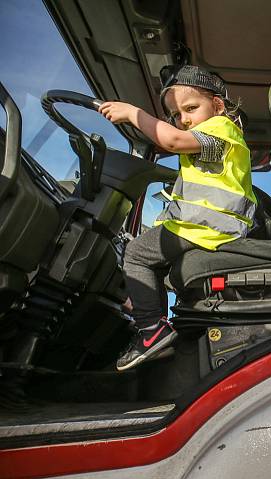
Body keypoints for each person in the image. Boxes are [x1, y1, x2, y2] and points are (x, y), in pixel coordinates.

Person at [98, 65, 256, 371]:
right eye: (177, 115)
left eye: (191, 108)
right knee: (149, 255)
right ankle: (150, 317)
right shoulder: (207, 142)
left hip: (207, 229)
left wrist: (133, 113)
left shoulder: (221, 131)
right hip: (202, 229)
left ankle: (152, 331)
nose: (183, 119)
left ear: (218, 106)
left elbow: (170, 141)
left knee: (135, 253)